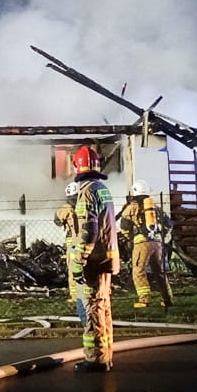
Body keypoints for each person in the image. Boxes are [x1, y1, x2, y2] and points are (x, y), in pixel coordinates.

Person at [69, 145, 119, 373]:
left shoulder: (87, 192)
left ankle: (94, 360)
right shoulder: (102, 189)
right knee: (103, 308)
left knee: (92, 311)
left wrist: (79, 262)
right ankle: (105, 357)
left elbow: (88, 232)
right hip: (106, 260)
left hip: (93, 262)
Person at [119, 179, 173, 308]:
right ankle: (167, 299)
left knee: (138, 270)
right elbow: (168, 224)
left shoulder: (131, 208)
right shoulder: (155, 208)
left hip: (141, 243)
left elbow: (124, 227)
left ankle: (144, 300)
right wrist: (161, 236)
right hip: (157, 243)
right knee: (159, 271)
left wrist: (131, 238)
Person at [54, 181, 86, 325]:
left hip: (72, 243)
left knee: (73, 269)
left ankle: (75, 296)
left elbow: (56, 221)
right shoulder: (86, 205)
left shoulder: (65, 208)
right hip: (86, 241)